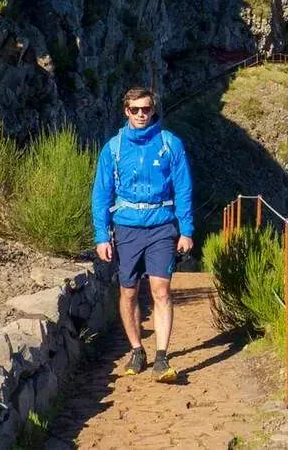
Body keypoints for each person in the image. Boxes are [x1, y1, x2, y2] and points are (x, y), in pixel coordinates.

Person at [91, 87, 194, 382]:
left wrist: (185, 230)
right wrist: (101, 235)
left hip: (162, 226)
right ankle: (137, 350)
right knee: (129, 291)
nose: (140, 114)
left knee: (161, 291)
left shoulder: (170, 144)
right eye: (134, 109)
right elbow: (101, 193)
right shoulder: (114, 148)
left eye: (145, 109)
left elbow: (183, 189)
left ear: (153, 110)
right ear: (126, 111)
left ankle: (162, 357)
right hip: (126, 227)